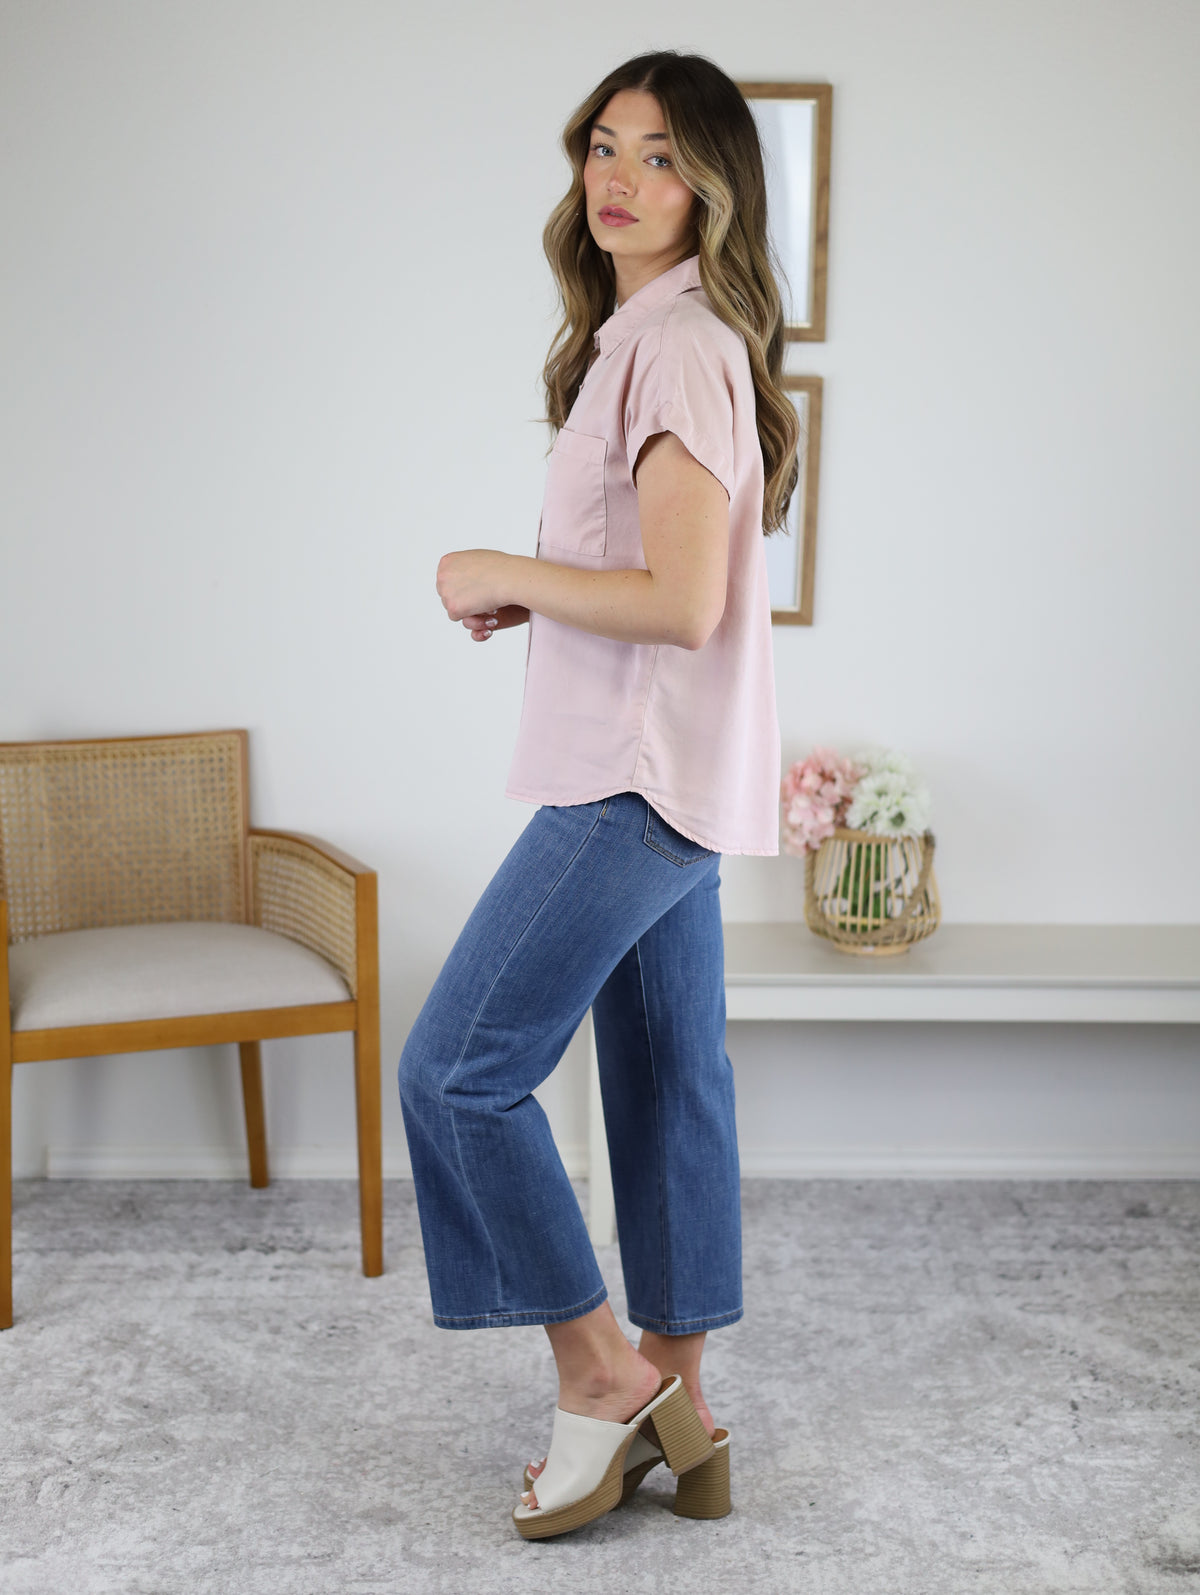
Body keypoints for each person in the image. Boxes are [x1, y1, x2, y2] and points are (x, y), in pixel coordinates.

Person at [398, 48, 800, 1540]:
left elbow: (684, 603)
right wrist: (544, 595)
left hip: (630, 780)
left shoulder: (674, 345)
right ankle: (681, 1404)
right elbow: (652, 575)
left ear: (714, 188)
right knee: (669, 1078)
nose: (621, 177)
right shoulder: (655, 334)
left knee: (457, 1070)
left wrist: (498, 567)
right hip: (673, 774)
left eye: (662, 154)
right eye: (605, 146)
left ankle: (603, 1378)